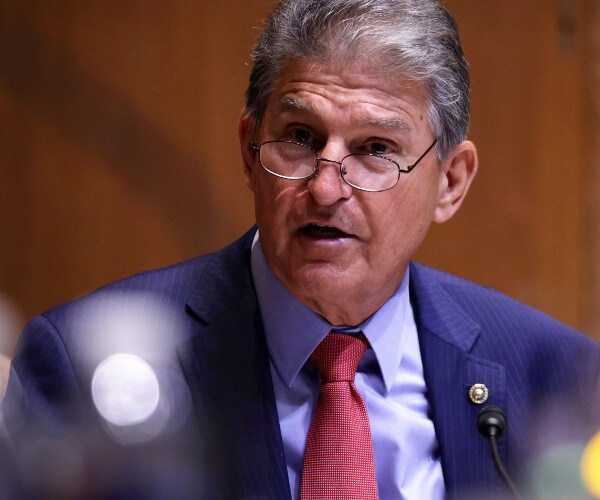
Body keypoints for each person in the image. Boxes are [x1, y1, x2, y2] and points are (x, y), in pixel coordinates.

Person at [2, 0, 599, 498]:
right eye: (299, 137)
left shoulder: (554, 377)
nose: (326, 188)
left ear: (451, 182)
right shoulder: (89, 370)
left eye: (376, 148)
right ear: (249, 150)